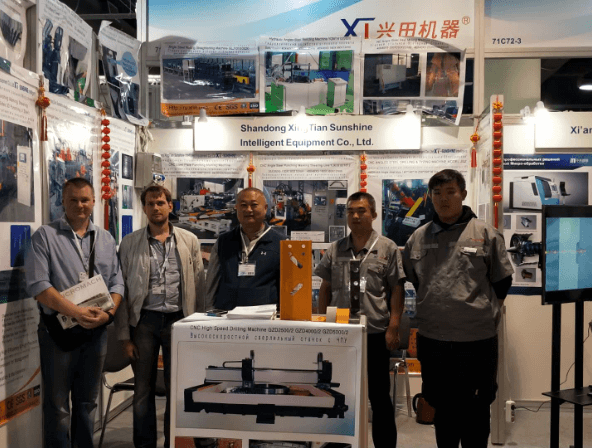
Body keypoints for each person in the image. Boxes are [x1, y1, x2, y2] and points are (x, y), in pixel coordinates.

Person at [403, 169, 514, 448]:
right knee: (443, 411)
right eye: (437, 193)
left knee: (476, 412)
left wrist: (479, 312)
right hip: (434, 342)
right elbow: (416, 280)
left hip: (475, 343)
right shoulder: (418, 238)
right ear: (430, 197)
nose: (443, 199)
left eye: (450, 192)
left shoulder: (485, 234)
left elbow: (502, 281)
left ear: (463, 194)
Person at [24, 177, 124, 448]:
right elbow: (39, 286)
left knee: (87, 403)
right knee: (58, 407)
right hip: (57, 332)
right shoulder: (45, 236)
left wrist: (109, 315)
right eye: (73, 200)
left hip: (97, 332)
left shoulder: (105, 238)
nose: (80, 205)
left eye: (85, 200)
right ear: (63, 202)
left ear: (94, 202)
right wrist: (77, 312)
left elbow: (117, 282)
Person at [116, 185, 206, 448]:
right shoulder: (130, 243)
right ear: (144, 208)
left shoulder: (189, 240)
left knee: (177, 388)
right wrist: (124, 336)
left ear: (170, 205)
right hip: (144, 322)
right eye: (150, 203)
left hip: (180, 321)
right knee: (142, 389)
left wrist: (199, 327)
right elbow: (121, 290)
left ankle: (171, 443)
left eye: (160, 202)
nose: (155, 207)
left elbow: (199, 286)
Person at [314, 191, 405, 448]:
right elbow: (325, 288)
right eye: (351, 211)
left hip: (374, 333)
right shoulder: (336, 249)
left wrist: (394, 326)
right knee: (339, 392)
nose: (355, 216)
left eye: (361, 211)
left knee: (379, 396)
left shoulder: (387, 248)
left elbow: (397, 289)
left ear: (373, 214)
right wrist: (321, 324)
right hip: (341, 335)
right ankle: (339, 443)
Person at [205, 187, 286, 311]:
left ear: (265, 208)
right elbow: (212, 282)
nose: (248, 210)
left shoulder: (281, 243)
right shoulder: (223, 242)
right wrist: (208, 311)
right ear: (236, 208)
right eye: (243, 205)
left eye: (254, 205)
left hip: (264, 317)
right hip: (226, 316)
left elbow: (286, 287)